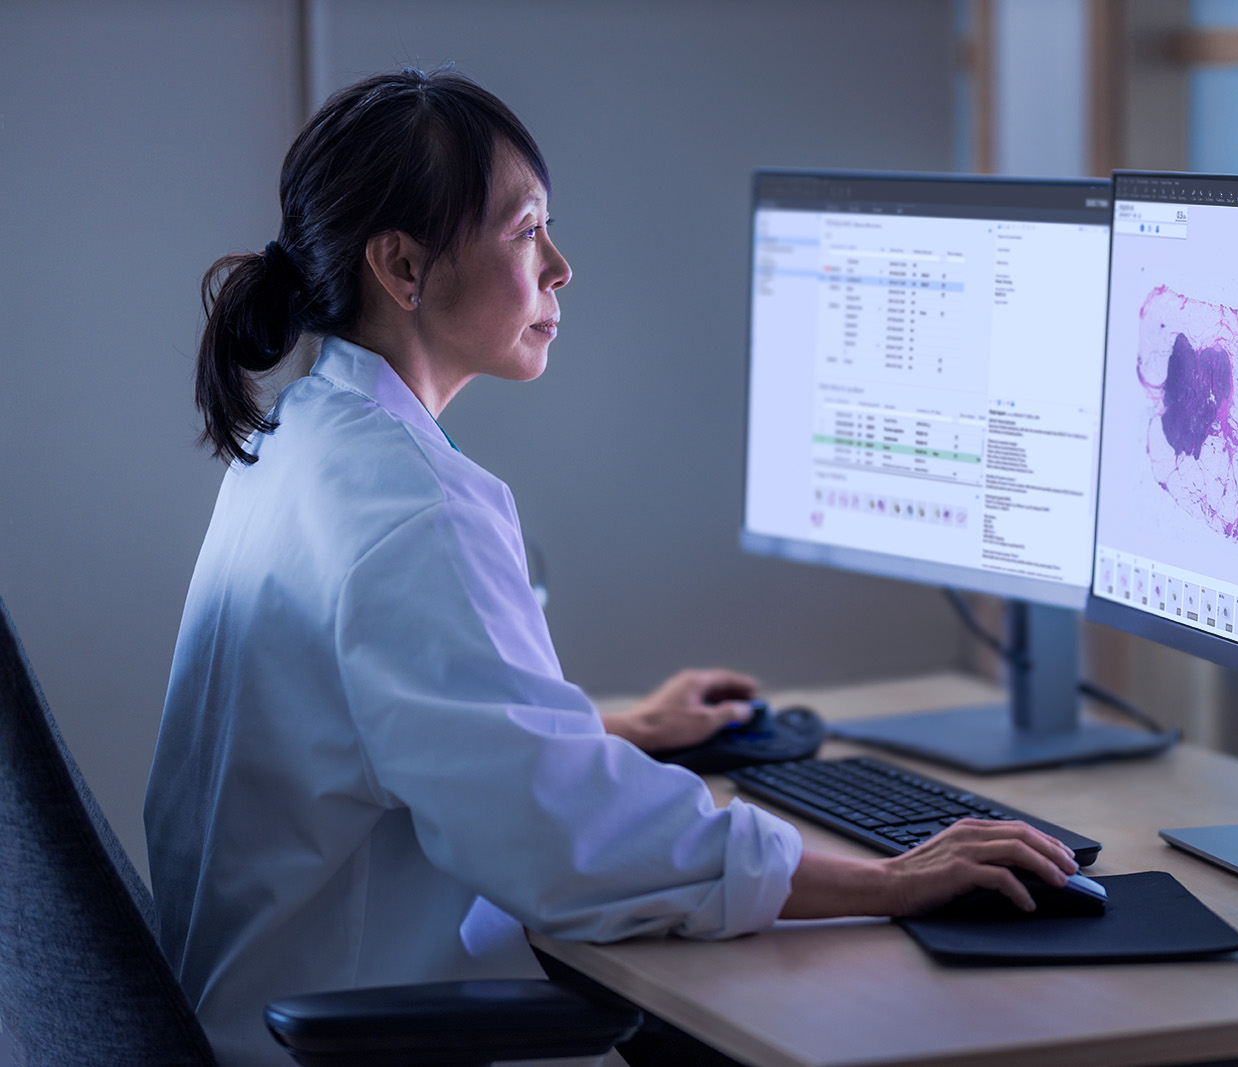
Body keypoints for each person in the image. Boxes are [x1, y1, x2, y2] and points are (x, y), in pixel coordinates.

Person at [145, 67, 1076, 1067]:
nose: (559, 266)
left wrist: (606, 729)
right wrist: (888, 879)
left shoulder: (306, 437)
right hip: (343, 1038)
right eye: (525, 230)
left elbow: (389, 728)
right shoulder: (411, 511)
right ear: (402, 266)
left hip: (247, 1007)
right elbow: (571, 849)